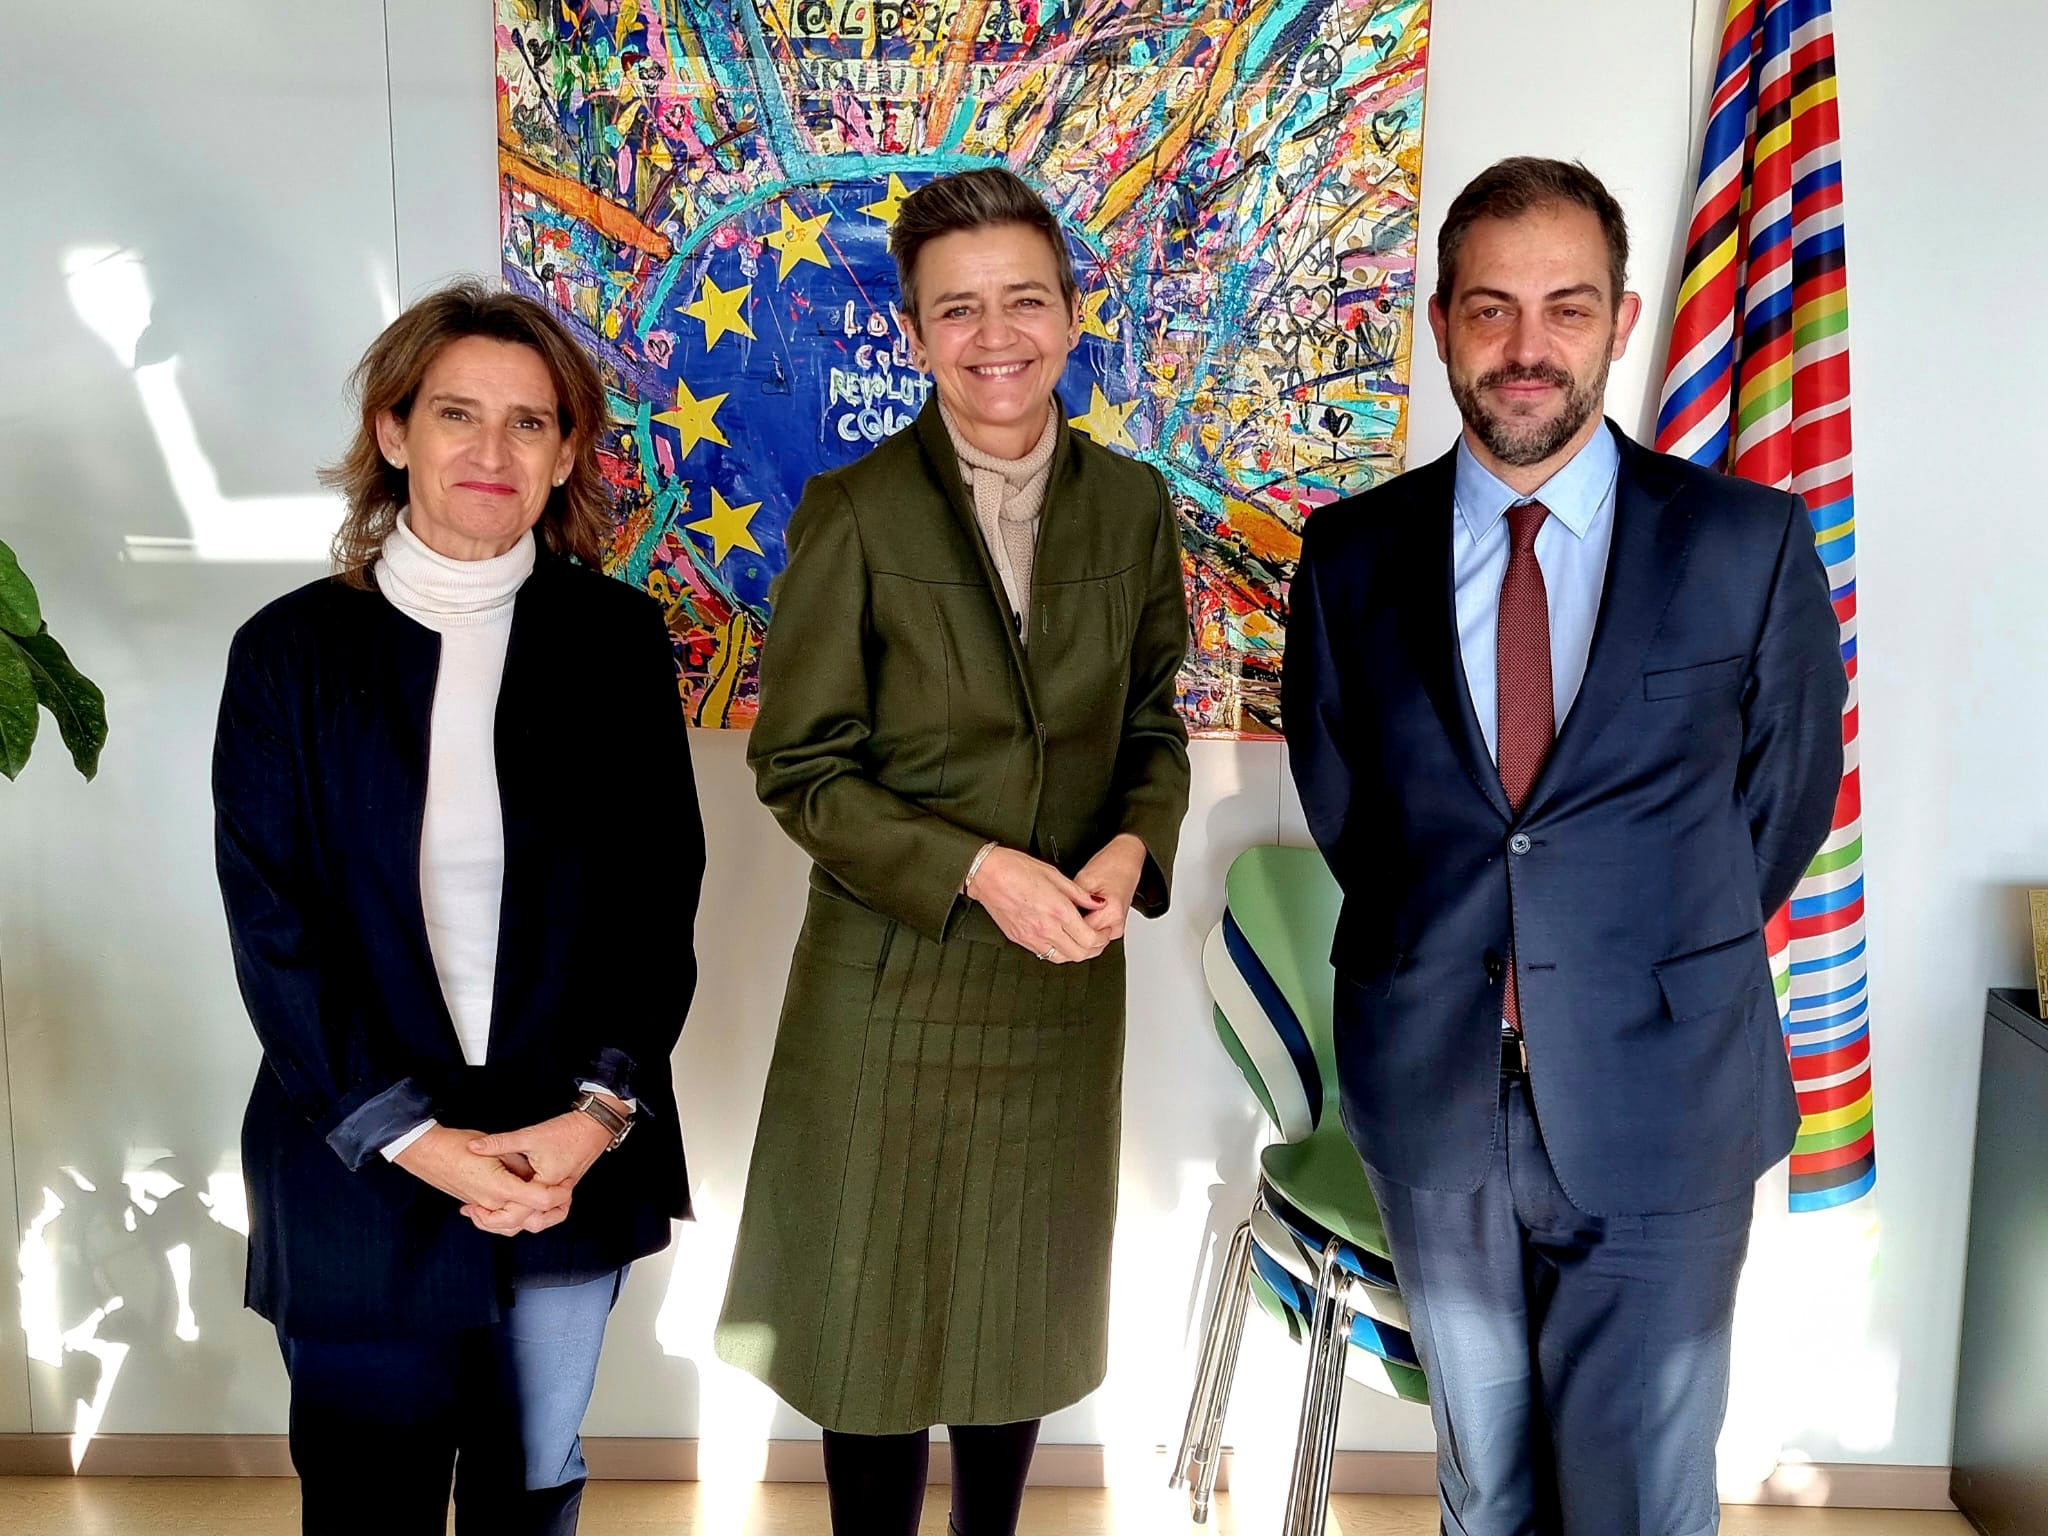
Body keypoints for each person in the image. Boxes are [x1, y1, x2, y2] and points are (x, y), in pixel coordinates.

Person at [1283, 158, 1847, 1535]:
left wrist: (1621, 958)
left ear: (1625, 318)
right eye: (1491, 309)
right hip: (1439, 1100)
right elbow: (1351, 804)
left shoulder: (1746, 544)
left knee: (1641, 1502)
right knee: (1486, 1493)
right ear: (1439, 325)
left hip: (1669, 1094)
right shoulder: (1348, 556)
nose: (1528, 347)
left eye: (1566, 307)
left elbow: (1779, 809)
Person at [713, 166, 1192, 1534]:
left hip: (1055, 992)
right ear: (915, 336)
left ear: (1070, 313)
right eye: (958, 310)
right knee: (869, 1339)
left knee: (1012, 1321)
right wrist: (978, 869)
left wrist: (1127, 854)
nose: (997, 338)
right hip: (889, 986)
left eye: (1024, 301)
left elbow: (1156, 727)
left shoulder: (1135, 506)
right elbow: (798, 769)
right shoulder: (854, 513)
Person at [212, 279, 703, 1536]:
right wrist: (414, 1139)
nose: (491, 452)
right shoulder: (288, 653)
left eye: (530, 423)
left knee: (528, 1493)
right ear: (392, 433)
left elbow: (658, 905)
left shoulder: (617, 642)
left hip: (563, 1151)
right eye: (455, 415)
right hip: (358, 1160)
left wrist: (595, 1119)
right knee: (367, 1498)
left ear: (566, 453)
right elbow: (276, 935)